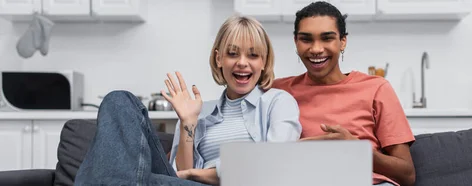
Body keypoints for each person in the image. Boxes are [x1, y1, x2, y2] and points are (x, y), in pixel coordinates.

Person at [74, 15, 302, 186]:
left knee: (138, 178)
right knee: (118, 100)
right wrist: (188, 123)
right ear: (219, 58)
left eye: (253, 55)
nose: (242, 63)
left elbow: (273, 164)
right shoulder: (201, 111)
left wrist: (198, 175)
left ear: (264, 62)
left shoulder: (278, 103)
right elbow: (181, 174)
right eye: (233, 54)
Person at [272, 1, 416, 186]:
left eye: (327, 38)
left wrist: (358, 150)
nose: (316, 49)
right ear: (296, 42)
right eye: (306, 39)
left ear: (342, 41)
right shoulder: (278, 91)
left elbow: (407, 175)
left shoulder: (376, 88)